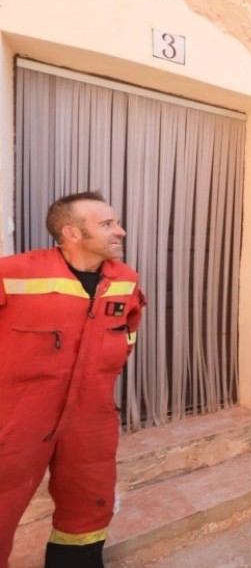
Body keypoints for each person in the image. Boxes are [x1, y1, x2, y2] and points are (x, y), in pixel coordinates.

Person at [0, 191, 145, 568]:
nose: (121, 231)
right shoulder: (14, 273)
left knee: (89, 500)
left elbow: (127, 335)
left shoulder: (125, 280)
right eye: (107, 224)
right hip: (18, 416)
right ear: (72, 232)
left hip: (91, 413)